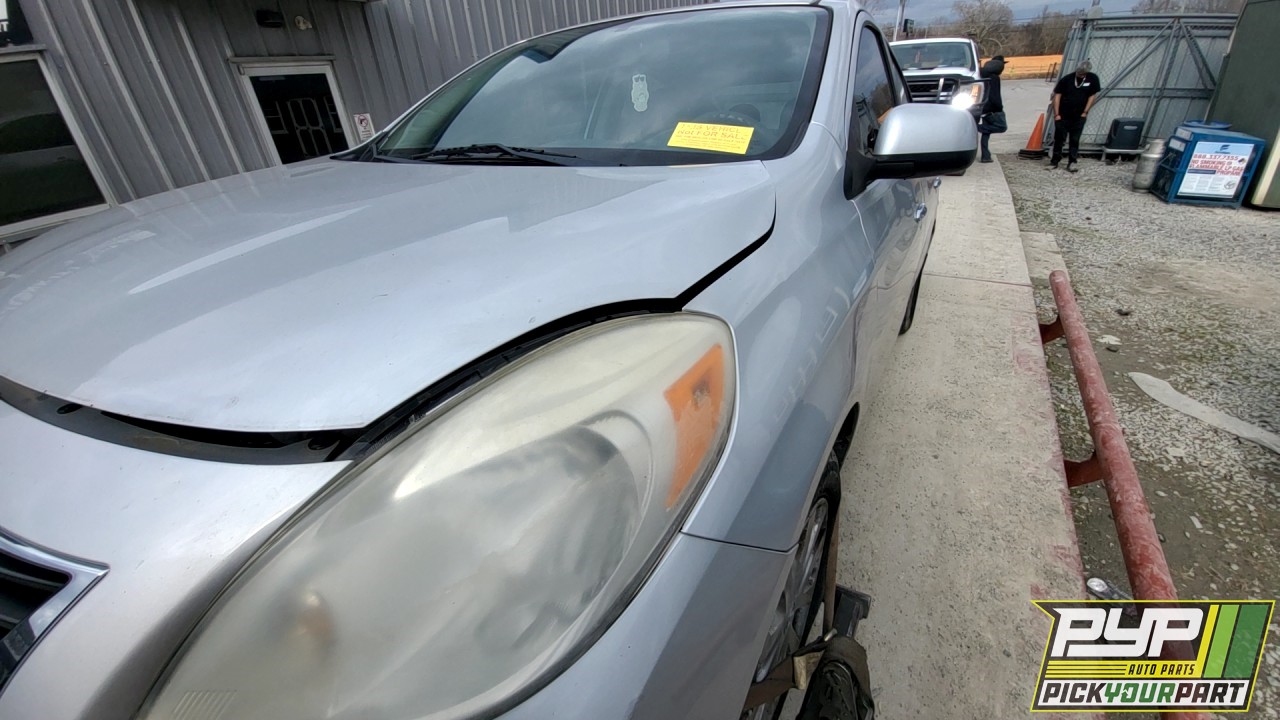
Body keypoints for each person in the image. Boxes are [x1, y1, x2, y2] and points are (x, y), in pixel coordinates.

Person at [1050, 61, 1102, 172]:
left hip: (1079, 116)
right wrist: (1057, 114)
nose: (1080, 75)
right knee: (1059, 139)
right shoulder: (1067, 79)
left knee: (1075, 139)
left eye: (1083, 74)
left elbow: (1092, 96)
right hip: (1063, 115)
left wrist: (1085, 112)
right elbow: (1057, 95)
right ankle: (1054, 161)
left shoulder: (1092, 79)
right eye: (1079, 73)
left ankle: (1072, 162)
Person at [976, 55, 1006, 163]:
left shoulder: (983, 76)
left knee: (986, 132)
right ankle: (975, 127)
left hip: (984, 107)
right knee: (1002, 127)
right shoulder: (994, 78)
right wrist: (997, 106)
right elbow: (994, 95)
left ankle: (986, 156)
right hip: (993, 108)